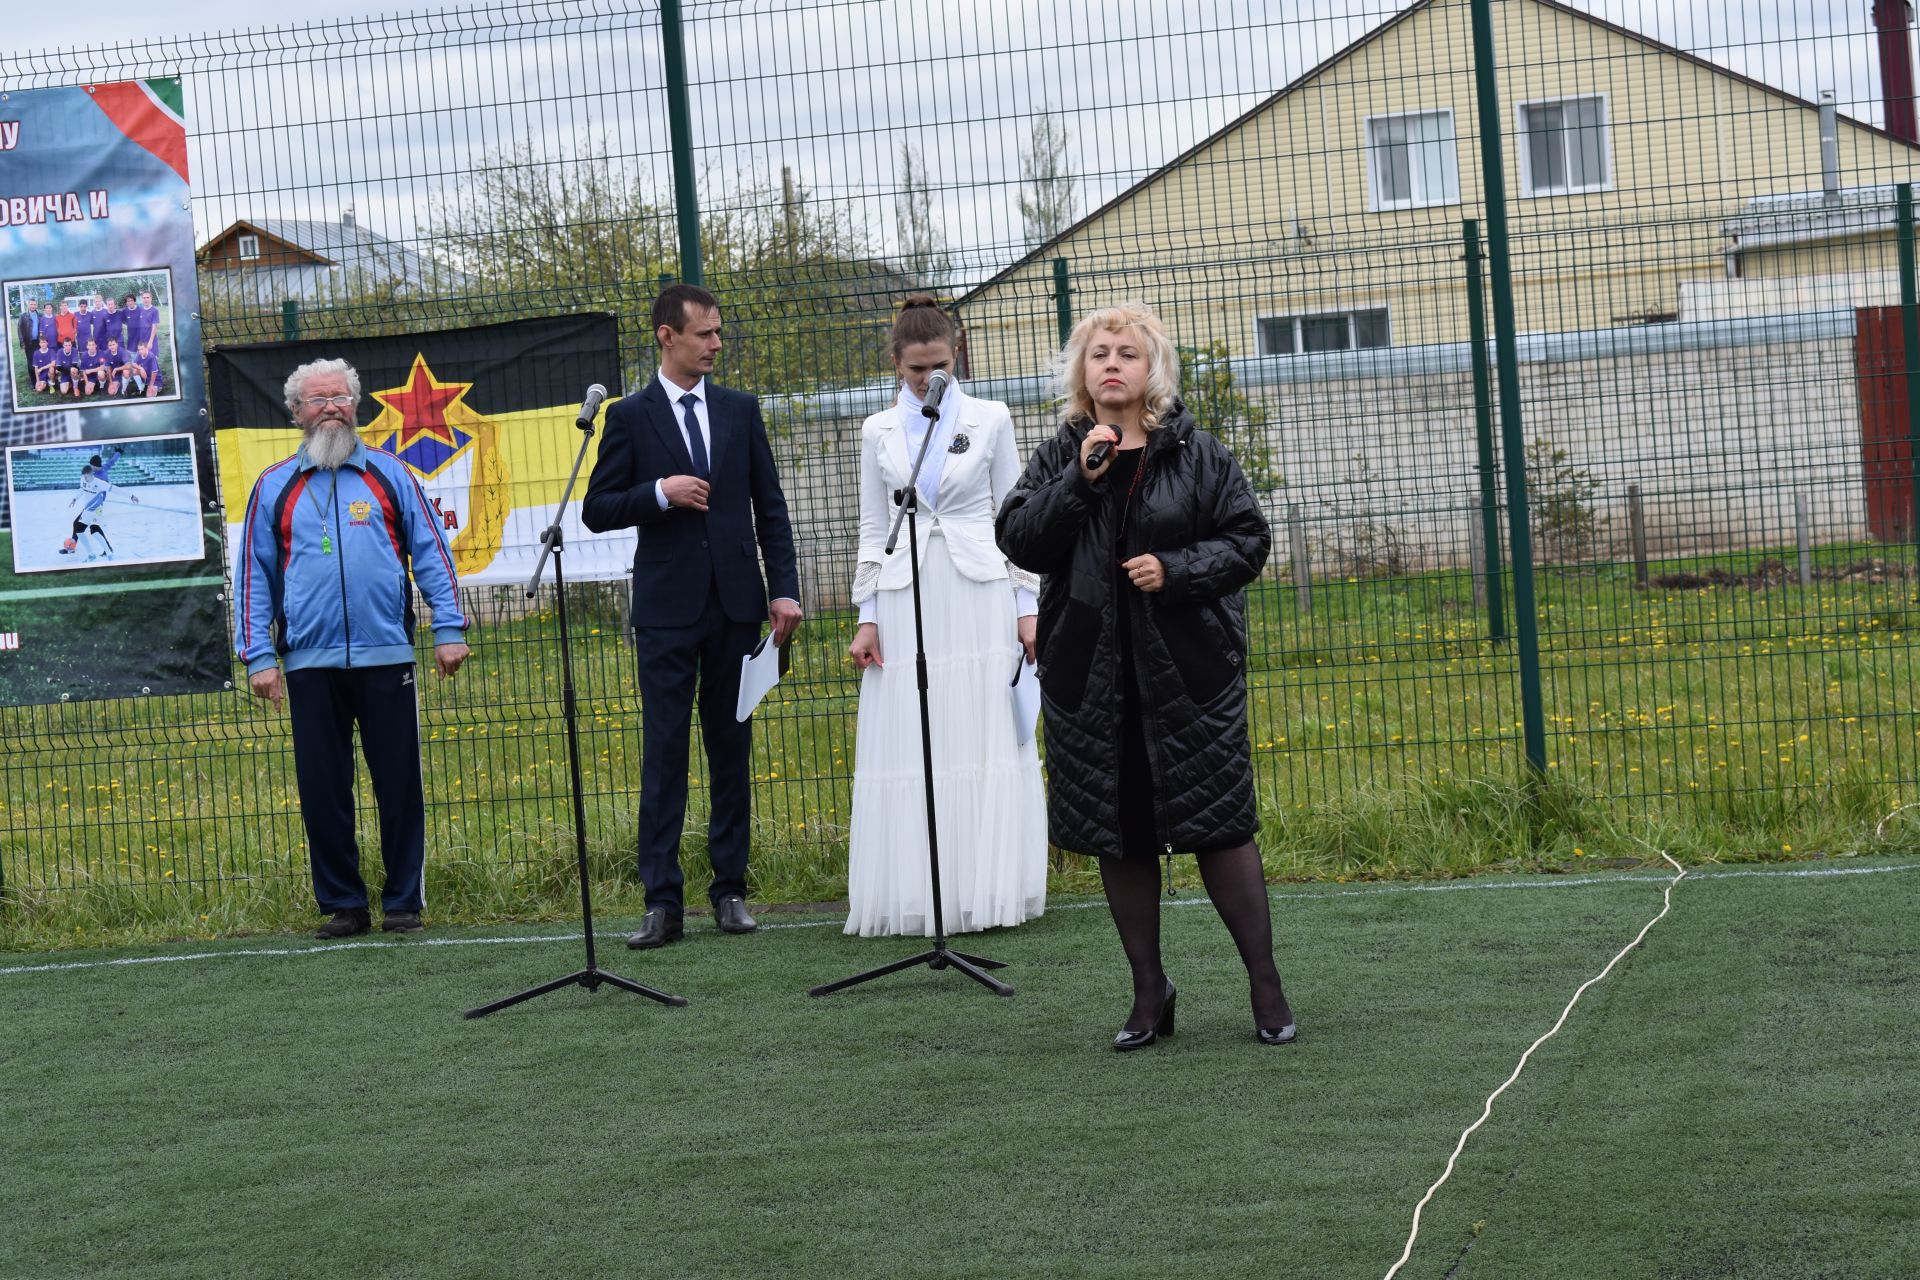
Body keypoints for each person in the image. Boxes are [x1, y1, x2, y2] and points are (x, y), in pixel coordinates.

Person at [995, 301, 1297, 1051]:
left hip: (1188, 676)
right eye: (1099, 353)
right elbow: (1020, 538)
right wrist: (1079, 482)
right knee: (1118, 833)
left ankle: (1265, 984)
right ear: (1082, 372)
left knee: (1221, 827)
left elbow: (1248, 540)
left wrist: (1178, 569)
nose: (1111, 365)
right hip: (1090, 679)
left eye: (1127, 353)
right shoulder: (1061, 454)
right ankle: (1148, 993)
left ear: (1151, 368)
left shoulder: (1198, 455)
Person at [582, 283, 802, 949]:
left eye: (718, 333)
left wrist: (784, 590)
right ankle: (661, 901)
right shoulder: (629, 416)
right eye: (703, 333)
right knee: (665, 752)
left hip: (737, 606)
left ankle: (730, 890)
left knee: (731, 748)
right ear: (666, 336)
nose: (715, 344)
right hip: (667, 612)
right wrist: (659, 492)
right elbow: (598, 508)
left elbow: (771, 508)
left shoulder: (740, 410)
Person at [234, 358, 471, 939]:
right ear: (296, 415)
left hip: (387, 656)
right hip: (308, 664)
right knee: (323, 790)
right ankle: (344, 903)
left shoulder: (392, 475)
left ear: (356, 405)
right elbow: (252, 578)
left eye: (340, 396)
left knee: (399, 783)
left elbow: (434, 556)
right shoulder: (273, 486)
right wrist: (259, 657)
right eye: (317, 400)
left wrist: (449, 628)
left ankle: (402, 904)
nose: (331, 407)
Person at [844, 296, 1047, 936]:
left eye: (938, 365)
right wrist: (867, 615)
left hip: (980, 591)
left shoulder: (990, 417)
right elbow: (873, 527)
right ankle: (920, 892)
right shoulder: (876, 431)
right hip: (906, 597)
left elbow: (1016, 517)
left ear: (955, 352)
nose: (927, 379)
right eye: (914, 370)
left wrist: (1028, 607)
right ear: (895, 365)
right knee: (913, 736)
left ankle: (986, 889)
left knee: (982, 733)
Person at [62, 461, 136, 562]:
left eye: (86, 477)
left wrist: (131, 496)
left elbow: (115, 489)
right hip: (87, 509)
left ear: (91, 474)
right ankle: (91, 554)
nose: (85, 479)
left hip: (97, 509)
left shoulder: (100, 483)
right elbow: (82, 489)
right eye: (84, 476)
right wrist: (75, 499)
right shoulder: (83, 479)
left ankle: (109, 554)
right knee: (79, 530)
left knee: (94, 531)